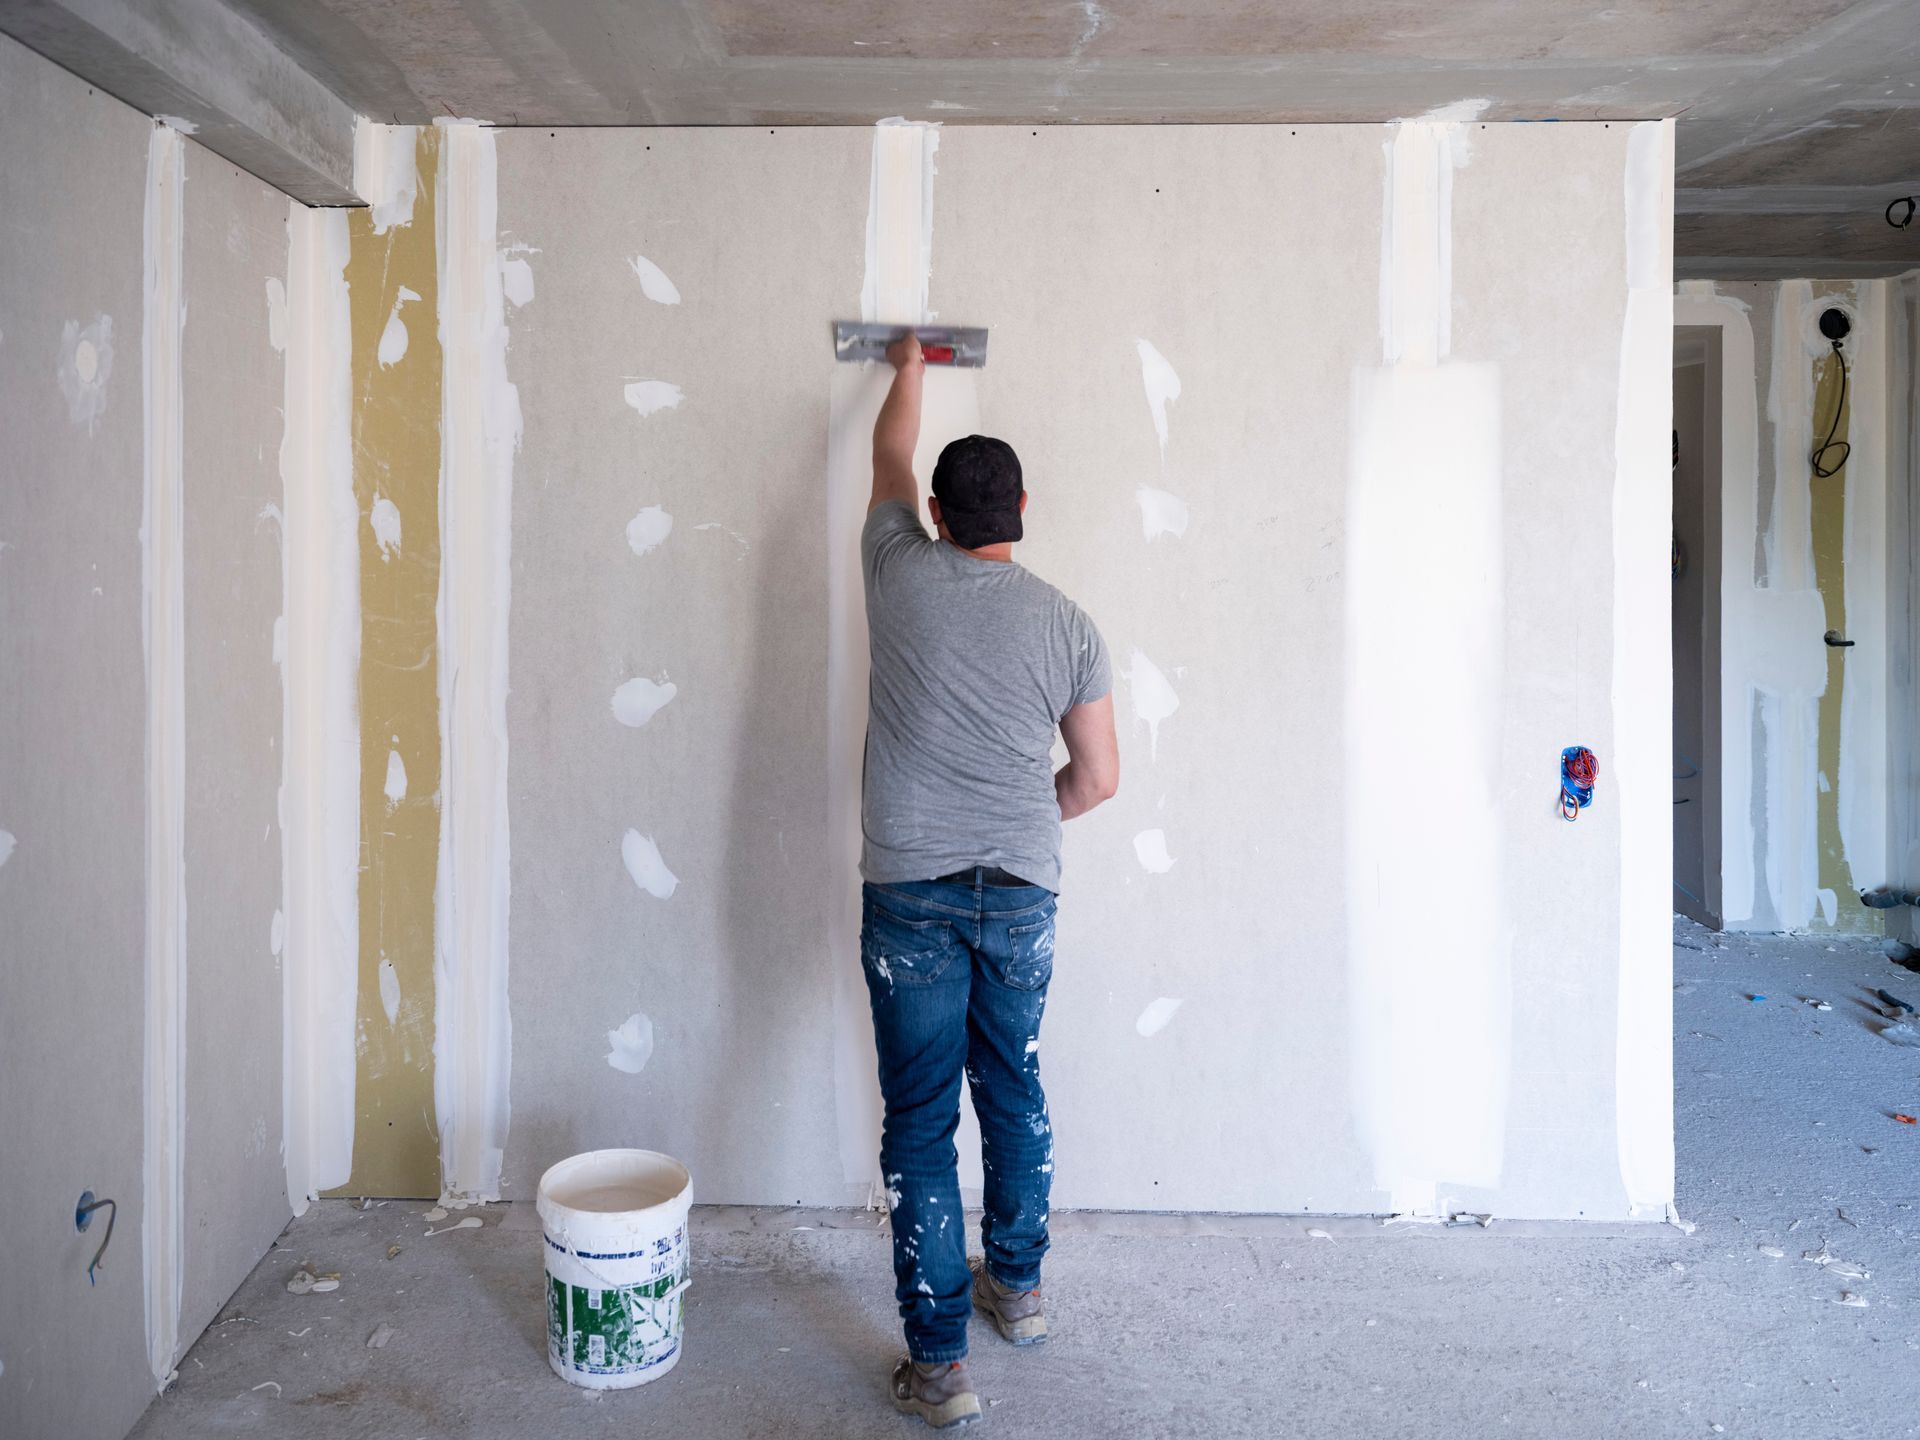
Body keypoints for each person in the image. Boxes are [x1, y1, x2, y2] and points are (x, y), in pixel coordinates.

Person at [857, 332, 1120, 1428]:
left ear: (940, 515)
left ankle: (941, 1369)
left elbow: (889, 457)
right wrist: (1024, 824)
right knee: (1011, 1088)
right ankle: (1020, 1293)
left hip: (909, 883)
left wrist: (910, 362)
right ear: (1021, 505)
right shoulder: (1068, 622)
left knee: (920, 1122)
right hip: (1020, 890)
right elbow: (1099, 780)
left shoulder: (895, 569)